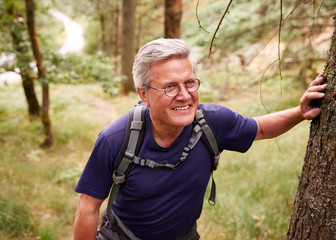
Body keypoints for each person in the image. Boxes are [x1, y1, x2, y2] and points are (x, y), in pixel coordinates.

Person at [73, 38, 327, 240]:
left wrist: (299, 112)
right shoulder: (115, 140)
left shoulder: (212, 122)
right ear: (144, 94)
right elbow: (88, 208)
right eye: (170, 86)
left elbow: (259, 128)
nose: (184, 95)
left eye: (190, 83)